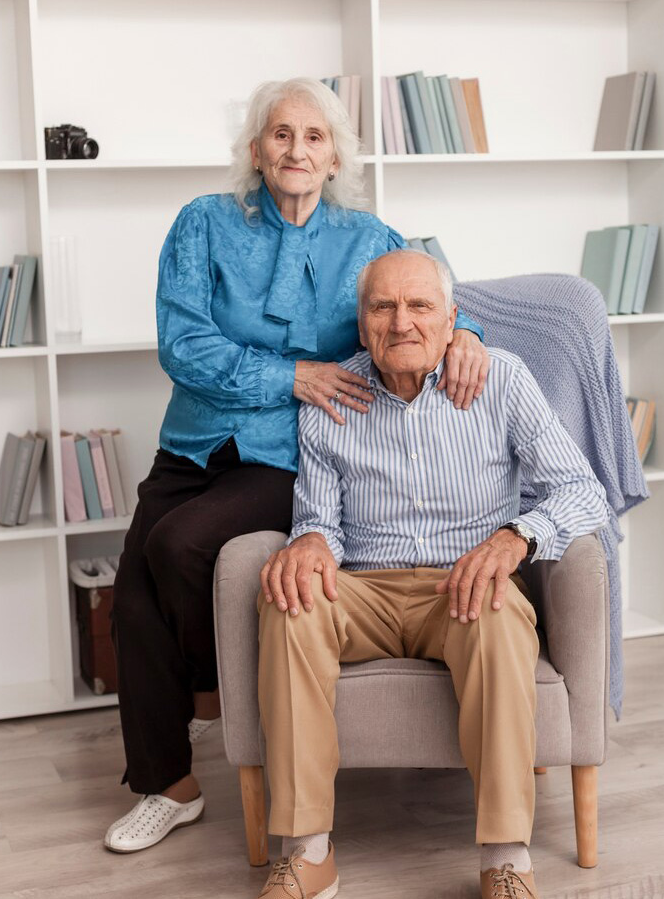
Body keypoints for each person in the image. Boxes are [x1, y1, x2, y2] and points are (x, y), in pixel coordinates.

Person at [104, 79, 489, 853]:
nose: (296, 150)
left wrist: (470, 335)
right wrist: (291, 373)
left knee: (176, 545)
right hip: (192, 438)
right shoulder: (202, 224)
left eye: (314, 137)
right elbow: (184, 346)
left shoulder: (370, 235)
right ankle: (168, 786)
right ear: (257, 149)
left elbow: (428, 298)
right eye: (281, 135)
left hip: (291, 448)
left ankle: (211, 688)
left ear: (334, 154)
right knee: (133, 596)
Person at [256, 249, 610, 899]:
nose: (401, 322)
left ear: (452, 320)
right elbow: (322, 522)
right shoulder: (334, 397)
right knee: (290, 601)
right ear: (362, 326)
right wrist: (308, 539)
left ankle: (506, 860)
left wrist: (518, 536)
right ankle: (307, 852)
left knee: (500, 612)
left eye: (420, 306)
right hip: (363, 586)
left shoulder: (502, 380)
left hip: (466, 585)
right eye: (383, 308)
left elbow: (583, 490)